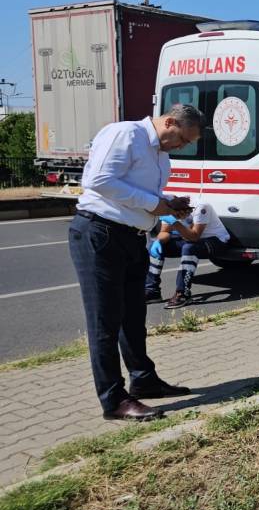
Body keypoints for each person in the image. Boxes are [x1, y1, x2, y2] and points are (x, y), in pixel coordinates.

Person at [69, 103, 202, 421]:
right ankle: (113, 400)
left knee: (132, 316)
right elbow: (100, 180)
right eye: (182, 139)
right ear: (169, 121)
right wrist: (154, 203)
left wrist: (170, 205)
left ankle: (143, 381)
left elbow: (143, 195)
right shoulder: (125, 133)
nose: (182, 146)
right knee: (105, 321)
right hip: (99, 232)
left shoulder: (161, 154)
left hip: (131, 237)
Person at [144, 200, 231, 309]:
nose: (176, 217)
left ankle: (182, 293)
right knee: (156, 245)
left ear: (186, 210)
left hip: (216, 241)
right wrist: (159, 241)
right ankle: (152, 290)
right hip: (189, 238)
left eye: (178, 215)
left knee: (189, 248)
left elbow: (194, 236)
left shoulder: (201, 208)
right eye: (174, 215)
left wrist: (175, 223)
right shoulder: (169, 209)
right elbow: (164, 232)